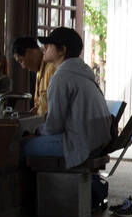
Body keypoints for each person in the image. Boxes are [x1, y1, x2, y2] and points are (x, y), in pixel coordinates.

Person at [21, 27, 112, 169]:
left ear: (62, 50)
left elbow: (53, 127)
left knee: (22, 146)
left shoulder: (61, 77)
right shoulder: (81, 71)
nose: (44, 48)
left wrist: (37, 132)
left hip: (78, 144)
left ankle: (34, 191)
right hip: (96, 142)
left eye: (49, 45)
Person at [11, 35, 56, 118]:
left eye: (21, 61)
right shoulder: (40, 71)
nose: (23, 67)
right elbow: (41, 103)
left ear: (29, 52)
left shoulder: (51, 68)